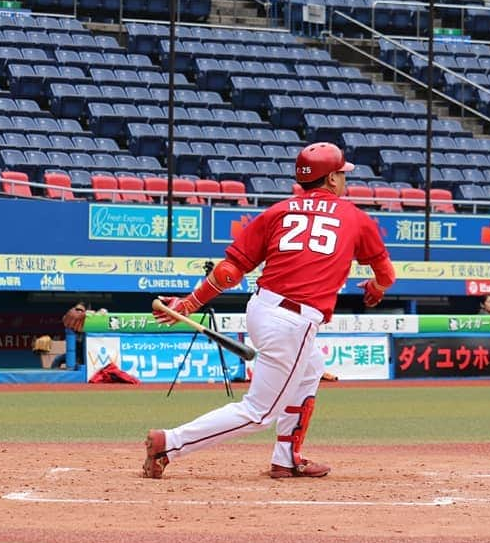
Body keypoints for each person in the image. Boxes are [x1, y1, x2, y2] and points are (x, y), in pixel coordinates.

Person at [143, 142, 395, 480]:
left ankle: (287, 457)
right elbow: (386, 275)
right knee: (259, 412)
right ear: (332, 179)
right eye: (341, 174)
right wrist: (376, 289)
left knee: (311, 368)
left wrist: (189, 303)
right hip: (294, 322)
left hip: (262, 308)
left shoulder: (277, 211)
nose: (344, 180)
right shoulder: (355, 217)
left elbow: (230, 271)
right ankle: (169, 443)